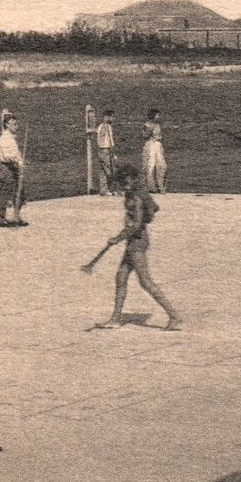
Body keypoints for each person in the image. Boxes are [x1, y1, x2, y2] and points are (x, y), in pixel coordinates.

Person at [84, 167, 181, 330]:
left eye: (126, 182)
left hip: (137, 242)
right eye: (122, 183)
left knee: (145, 282)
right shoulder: (137, 194)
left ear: (134, 179)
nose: (124, 186)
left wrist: (117, 238)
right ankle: (115, 318)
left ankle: (173, 315)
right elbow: (154, 208)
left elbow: (136, 225)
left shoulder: (136, 197)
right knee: (121, 277)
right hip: (133, 241)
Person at [0, 113, 28, 228]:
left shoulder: (11, 138)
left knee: (19, 191)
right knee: (5, 191)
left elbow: (16, 155)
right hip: (7, 167)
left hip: (15, 167)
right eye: (14, 124)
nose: (16, 126)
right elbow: (9, 156)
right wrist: (18, 162)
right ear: (7, 125)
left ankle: (17, 216)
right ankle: (3, 218)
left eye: (16, 124)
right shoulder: (4, 139)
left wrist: (20, 163)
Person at [141, 108, 167, 194]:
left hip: (157, 145)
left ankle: (160, 185)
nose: (159, 117)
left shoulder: (157, 125)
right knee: (150, 166)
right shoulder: (147, 125)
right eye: (158, 115)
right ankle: (151, 186)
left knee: (162, 166)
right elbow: (144, 136)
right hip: (151, 145)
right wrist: (149, 132)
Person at [94, 110, 117, 195]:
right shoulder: (106, 127)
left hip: (101, 150)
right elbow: (108, 141)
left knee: (103, 170)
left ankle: (103, 190)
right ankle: (110, 189)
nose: (113, 118)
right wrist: (112, 152)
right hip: (105, 150)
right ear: (106, 117)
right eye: (112, 117)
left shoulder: (101, 126)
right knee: (110, 170)